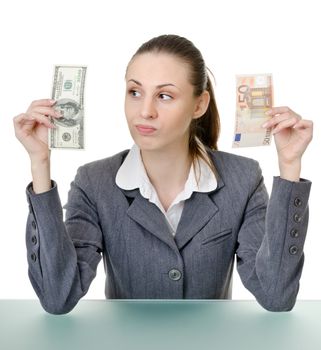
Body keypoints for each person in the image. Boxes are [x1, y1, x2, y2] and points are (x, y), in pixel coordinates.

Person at [13, 34, 313, 315]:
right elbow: (58, 297)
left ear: (199, 104)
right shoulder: (94, 183)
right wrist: (40, 163)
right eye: (135, 92)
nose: (145, 111)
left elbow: (275, 296)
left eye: (165, 96)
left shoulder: (242, 179)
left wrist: (289, 167)